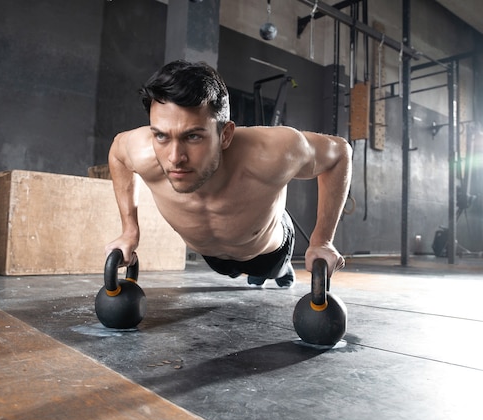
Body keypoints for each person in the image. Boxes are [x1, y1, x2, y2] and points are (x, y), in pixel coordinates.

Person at [105, 60, 351, 287]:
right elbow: (117, 153)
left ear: (225, 135)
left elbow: (340, 153)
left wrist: (322, 241)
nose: (174, 157)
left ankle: (280, 269)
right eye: (161, 136)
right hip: (213, 258)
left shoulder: (273, 152)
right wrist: (129, 231)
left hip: (267, 252)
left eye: (192, 136)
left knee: (269, 272)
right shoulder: (140, 149)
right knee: (231, 271)